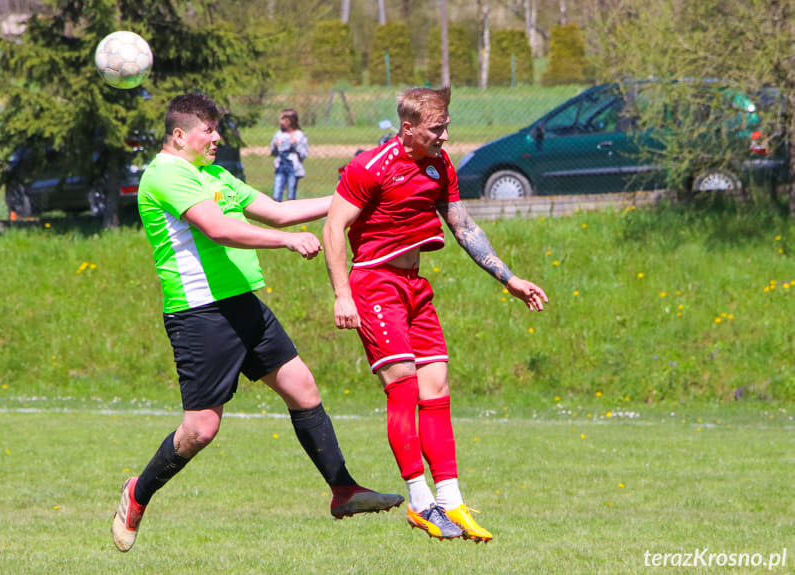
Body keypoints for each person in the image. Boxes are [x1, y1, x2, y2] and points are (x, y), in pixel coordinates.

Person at [111, 92, 403, 553]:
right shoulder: (166, 174)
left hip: (243, 306)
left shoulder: (215, 175)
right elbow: (220, 228)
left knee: (303, 389)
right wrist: (286, 243)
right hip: (199, 314)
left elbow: (281, 210)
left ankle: (344, 491)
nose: (217, 137)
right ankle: (138, 493)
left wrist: (354, 196)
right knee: (201, 430)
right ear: (180, 134)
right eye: (209, 130)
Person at [323, 87, 548, 543]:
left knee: (437, 385)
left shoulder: (439, 164)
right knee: (402, 384)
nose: (446, 135)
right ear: (408, 128)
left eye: (446, 125)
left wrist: (510, 279)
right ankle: (420, 501)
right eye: (436, 129)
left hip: (415, 287)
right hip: (375, 284)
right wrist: (342, 294)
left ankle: (452, 500)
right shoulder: (370, 167)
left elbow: (463, 226)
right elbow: (332, 226)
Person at [270, 108, 308, 201]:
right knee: (277, 193)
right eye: (281, 119)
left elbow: (304, 153)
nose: (281, 122)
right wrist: (275, 145)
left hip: (293, 167)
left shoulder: (299, 135)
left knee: (291, 194)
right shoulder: (279, 134)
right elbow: (273, 152)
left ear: (291, 121)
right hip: (281, 165)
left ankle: (291, 213)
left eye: (284, 119)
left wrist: (296, 144)